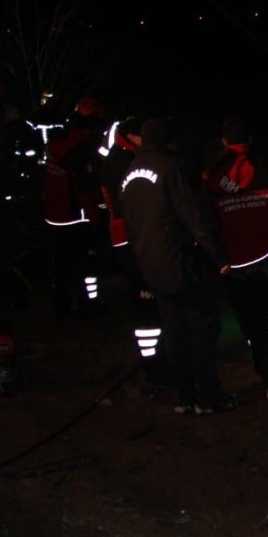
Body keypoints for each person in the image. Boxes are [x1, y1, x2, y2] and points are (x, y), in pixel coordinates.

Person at [121, 116, 238, 414]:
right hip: (182, 264)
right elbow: (193, 216)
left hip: (151, 265)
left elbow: (130, 224)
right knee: (202, 330)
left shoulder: (130, 172)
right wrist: (219, 257)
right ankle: (209, 398)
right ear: (168, 139)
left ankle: (185, 397)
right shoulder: (172, 168)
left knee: (174, 332)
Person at [202, 116, 268, 399]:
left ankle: (262, 362)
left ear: (223, 141)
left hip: (233, 259)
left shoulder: (211, 173)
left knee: (246, 314)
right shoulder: (264, 165)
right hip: (267, 253)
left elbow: (202, 211)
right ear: (251, 139)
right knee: (266, 314)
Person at [100, 114, 167, 396]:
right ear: (132, 136)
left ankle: (158, 360)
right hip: (132, 240)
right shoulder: (122, 162)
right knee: (145, 301)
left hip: (132, 238)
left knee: (149, 300)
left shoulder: (124, 157)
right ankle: (153, 367)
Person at [42, 96, 105, 317]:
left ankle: (61, 306)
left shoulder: (57, 142)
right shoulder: (82, 147)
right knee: (85, 264)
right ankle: (87, 306)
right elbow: (85, 187)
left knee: (60, 264)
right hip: (76, 215)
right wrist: (94, 218)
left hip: (54, 214)